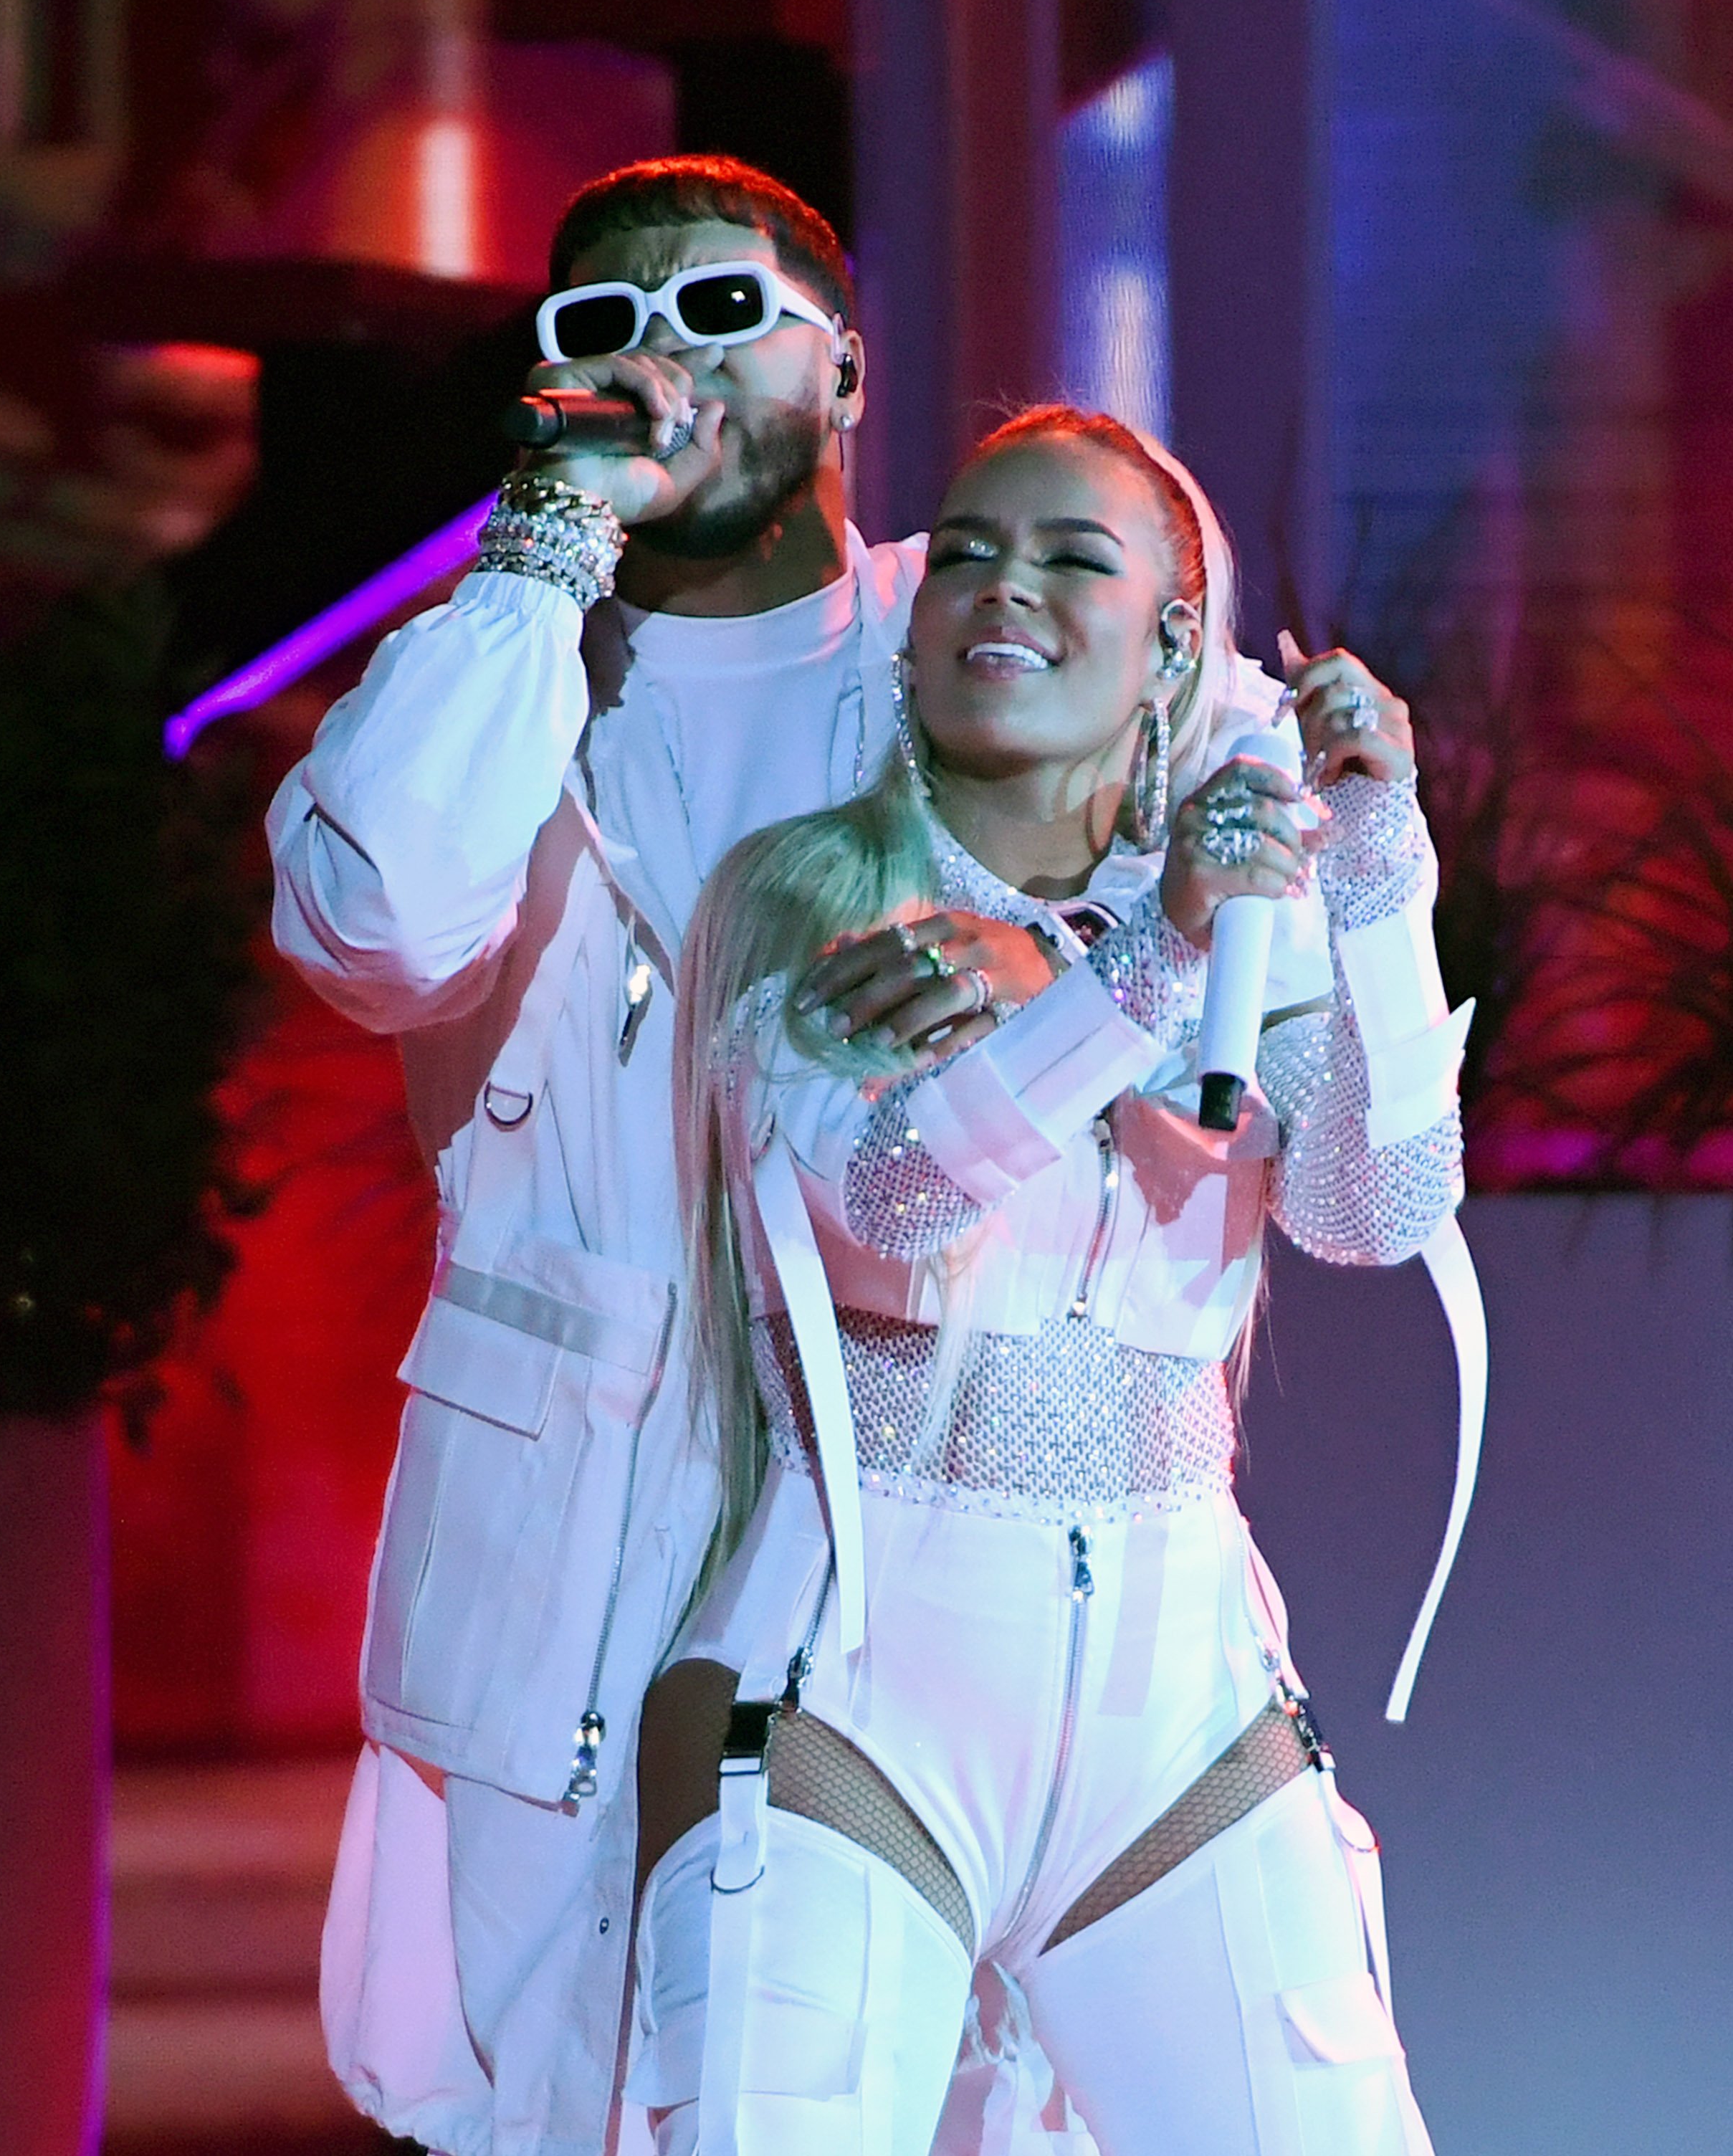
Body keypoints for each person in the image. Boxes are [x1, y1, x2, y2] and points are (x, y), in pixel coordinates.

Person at [629, 405, 1472, 2154]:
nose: (999, 589)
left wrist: (1378, 862)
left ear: (1177, 639)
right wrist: (1145, 966)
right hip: (852, 1704)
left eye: (1073, 558)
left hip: (1180, 1720)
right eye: (963, 552)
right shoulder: (810, 893)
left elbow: (1372, 1206)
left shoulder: (1247, 915)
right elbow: (888, 1192)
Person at [267, 158, 926, 2156]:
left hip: (897, 1508)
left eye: (727, 311)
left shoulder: (962, 652)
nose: (668, 355)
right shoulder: (501, 665)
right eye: (609, 324)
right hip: (569, 1536)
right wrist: (545, 557)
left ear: (850, 367)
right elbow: (372, 921)